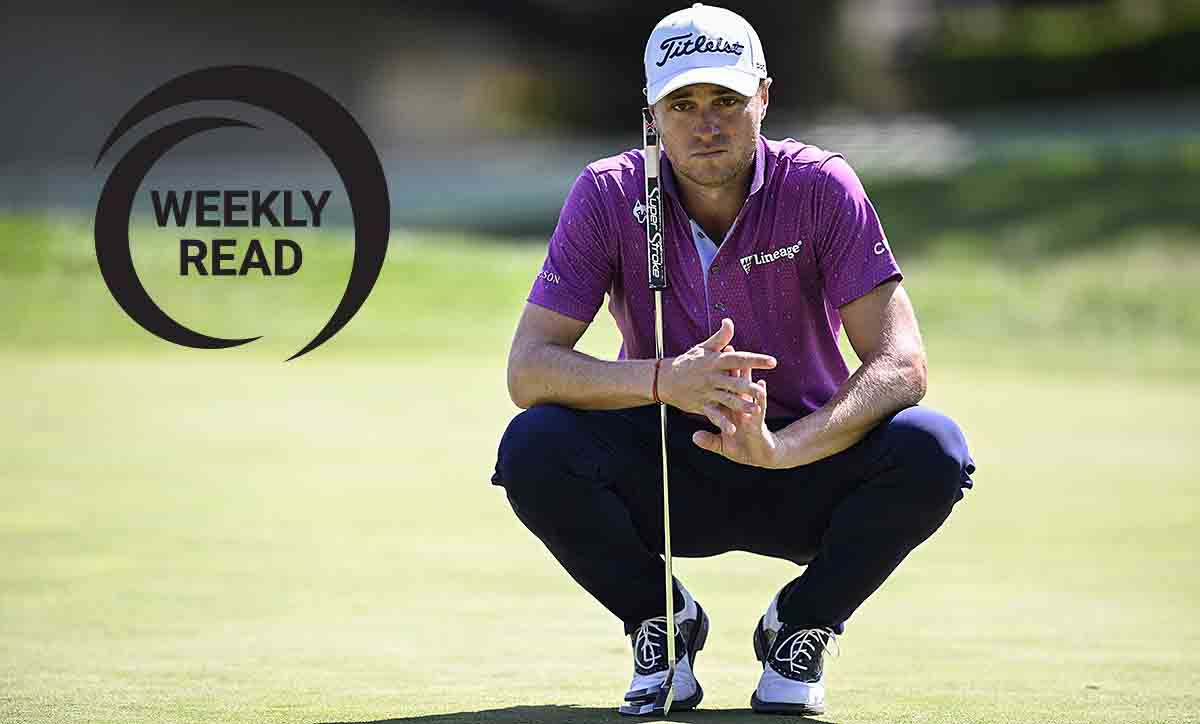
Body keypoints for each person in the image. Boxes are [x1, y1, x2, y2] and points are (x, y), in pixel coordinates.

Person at [491, 3, 975, 717]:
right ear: (652, 113)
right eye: (682, 103)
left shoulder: (819, 186)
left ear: (764, 98)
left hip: (804, 461)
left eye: (726, 99)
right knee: (534, 447)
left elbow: (901, 362)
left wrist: (782, 449)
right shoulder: (610, 193)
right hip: (665, 467)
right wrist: (666, 381)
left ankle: (802, 625)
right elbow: (528, 369)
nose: (706, 123)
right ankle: (661, 622)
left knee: (933, 448)